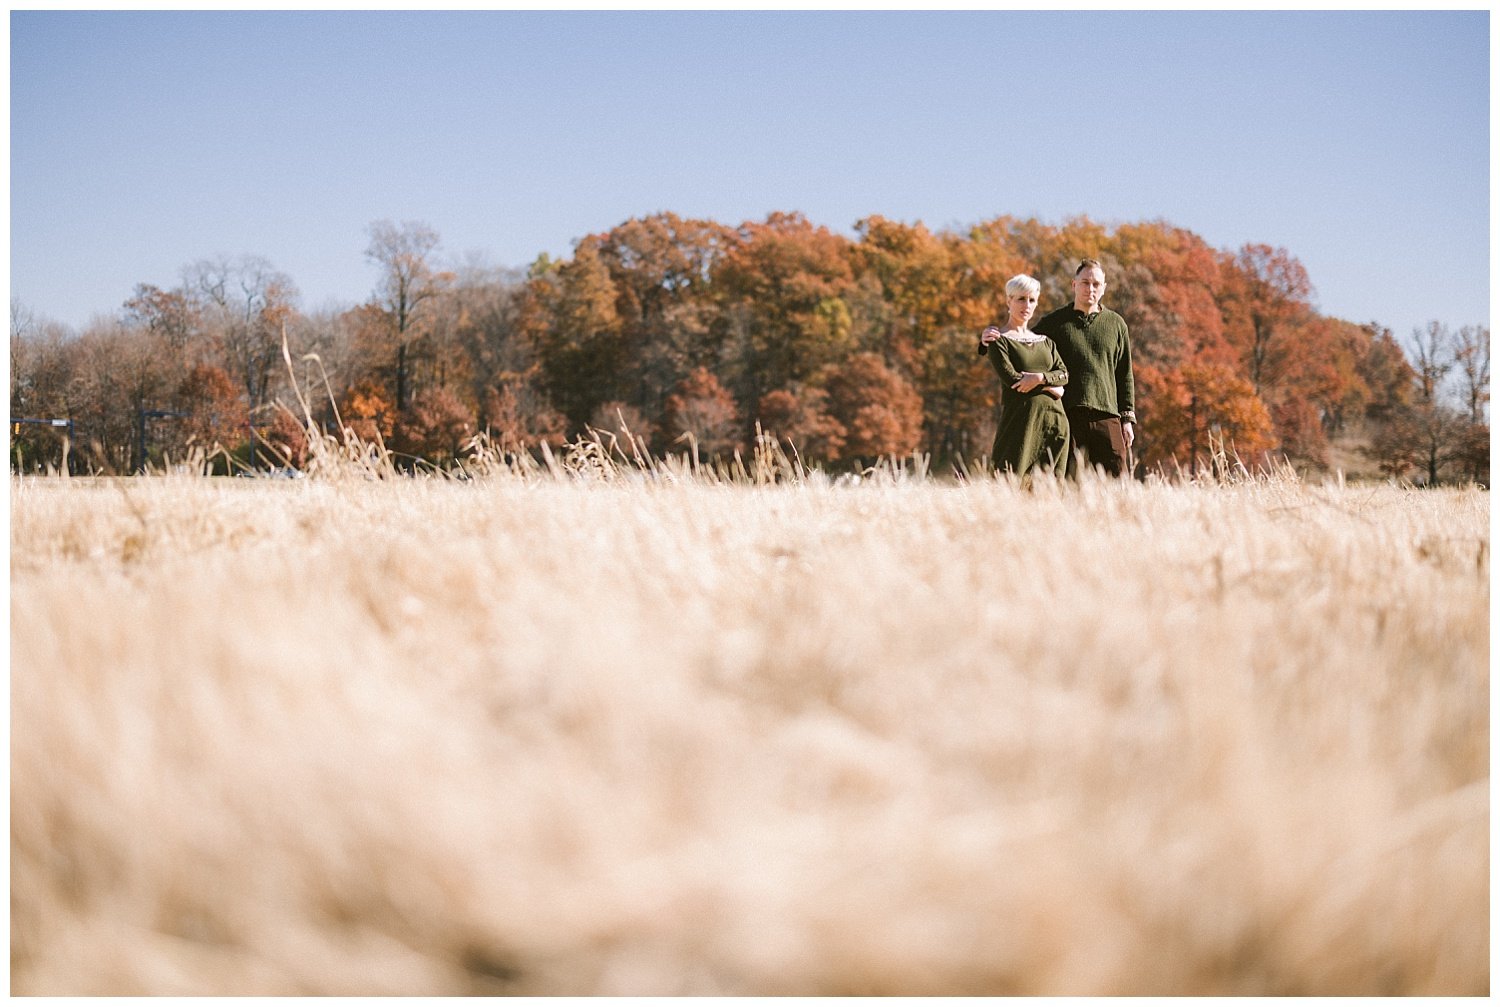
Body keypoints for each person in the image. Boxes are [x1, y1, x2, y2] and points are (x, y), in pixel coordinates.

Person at [1028, 258, 1136, 478]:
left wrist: (1127, 419)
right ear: (1074, 285)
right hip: (1066, 414)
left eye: (1096, 284)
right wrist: (992, 339)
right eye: (1085, 282)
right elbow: (1024, 346)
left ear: (1104, 288)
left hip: (1107, 413)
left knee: (1117, 480)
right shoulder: (1054, 323)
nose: (1091, 288)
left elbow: (1124, 374)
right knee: (1064, 480)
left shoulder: (1116, 324)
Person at [976, 274, 1070, 478]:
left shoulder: (1046, 342)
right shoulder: (998, 340)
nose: (1026, 305)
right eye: (1020, 299)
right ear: (1008, 301)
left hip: (1054, 424)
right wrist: (1051, 387)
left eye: (1032, 300)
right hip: (1019, 426)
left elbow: (1064, 374)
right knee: (1008, 486)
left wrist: (1040, 379)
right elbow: (1014, 380)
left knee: (1050, 496)